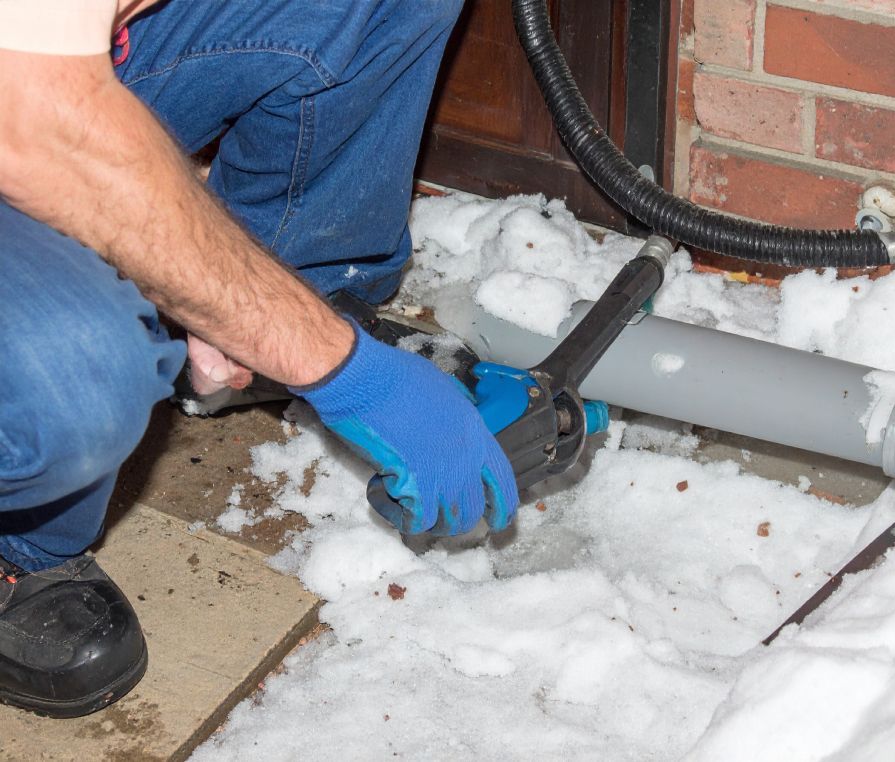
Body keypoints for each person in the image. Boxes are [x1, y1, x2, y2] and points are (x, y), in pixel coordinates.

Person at [0, 0, 518, 718]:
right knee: (74, 373)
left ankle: (295, 289)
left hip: (53, 62)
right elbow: (37, 125)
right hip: (23, 103)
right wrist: (346, 372)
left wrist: (234, 299)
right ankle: (19, 545)